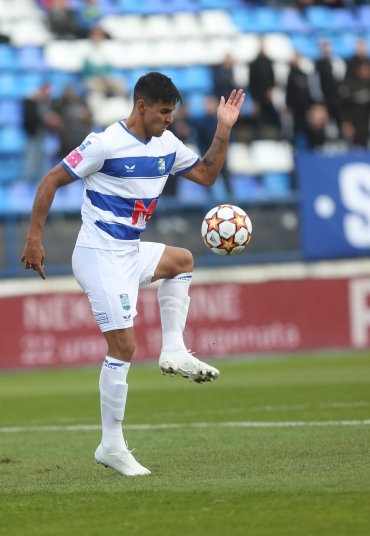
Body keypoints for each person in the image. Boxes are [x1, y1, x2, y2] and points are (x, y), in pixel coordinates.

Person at [20, 72, 244, 476]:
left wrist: (223, 129)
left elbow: (208, 175)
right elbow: (51, 180)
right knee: (123, 347)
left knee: (181, 261)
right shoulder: (104, 143)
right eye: (162, 113)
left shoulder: (168, 144)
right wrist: (34, 238)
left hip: (128, 251)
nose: (168, 120)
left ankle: (174, 348)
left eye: (171, 113)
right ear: (141, 106)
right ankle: (111, 445)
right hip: (98, 254)